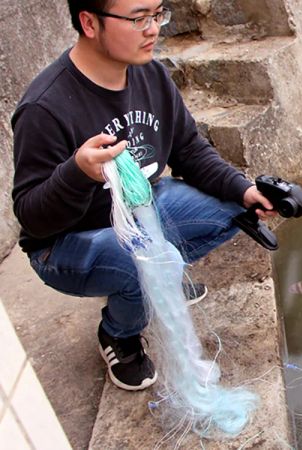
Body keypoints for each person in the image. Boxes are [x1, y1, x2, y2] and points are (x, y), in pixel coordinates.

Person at [11, 0, 275, 391]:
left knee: (237, 208)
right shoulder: (45, 107)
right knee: (148, 262)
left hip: (140, 212)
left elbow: (190, 150)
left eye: (158, 14)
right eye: (138, 19)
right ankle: (119, 333)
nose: (153, 29)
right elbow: (32, 218)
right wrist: (76, 174)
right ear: (89, 22)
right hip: (67, 244)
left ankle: (157, 279)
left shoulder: (150, 74)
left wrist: (248, 190)